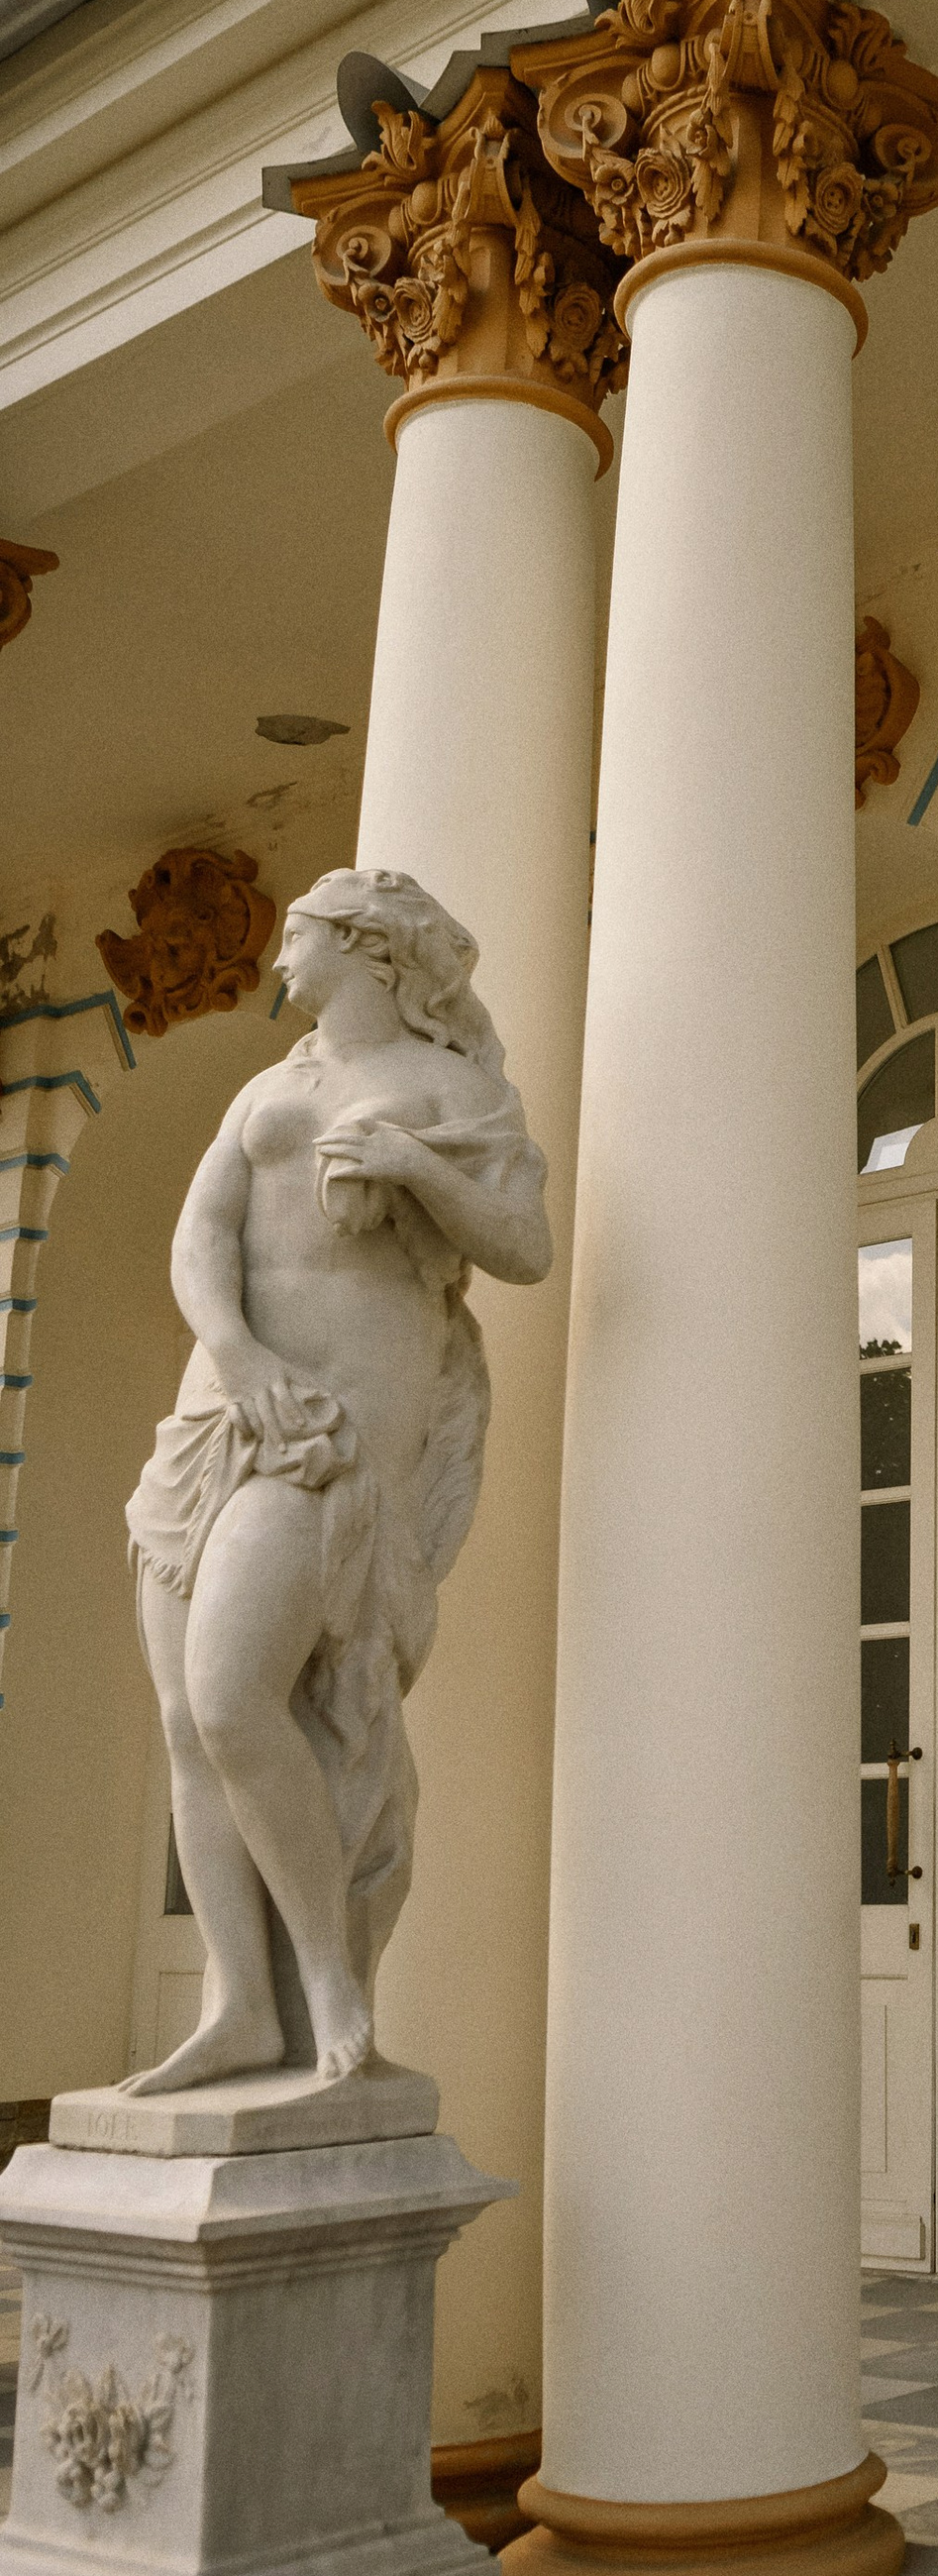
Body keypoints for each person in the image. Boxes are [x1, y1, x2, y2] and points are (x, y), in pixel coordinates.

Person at [125, 869, 551, 2094]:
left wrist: (417, 1168)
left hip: (333, 1436)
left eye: (299, 941)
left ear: (367, 947)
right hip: (223, 1414)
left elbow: (524, 1246)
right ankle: (242, 2005)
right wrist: (238, 1352)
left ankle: (327, 1979)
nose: (277, 966)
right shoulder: (269, 1087)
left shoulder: (453, 1088)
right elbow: (199, 1237)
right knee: (185, 1730)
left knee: (228, 1695)